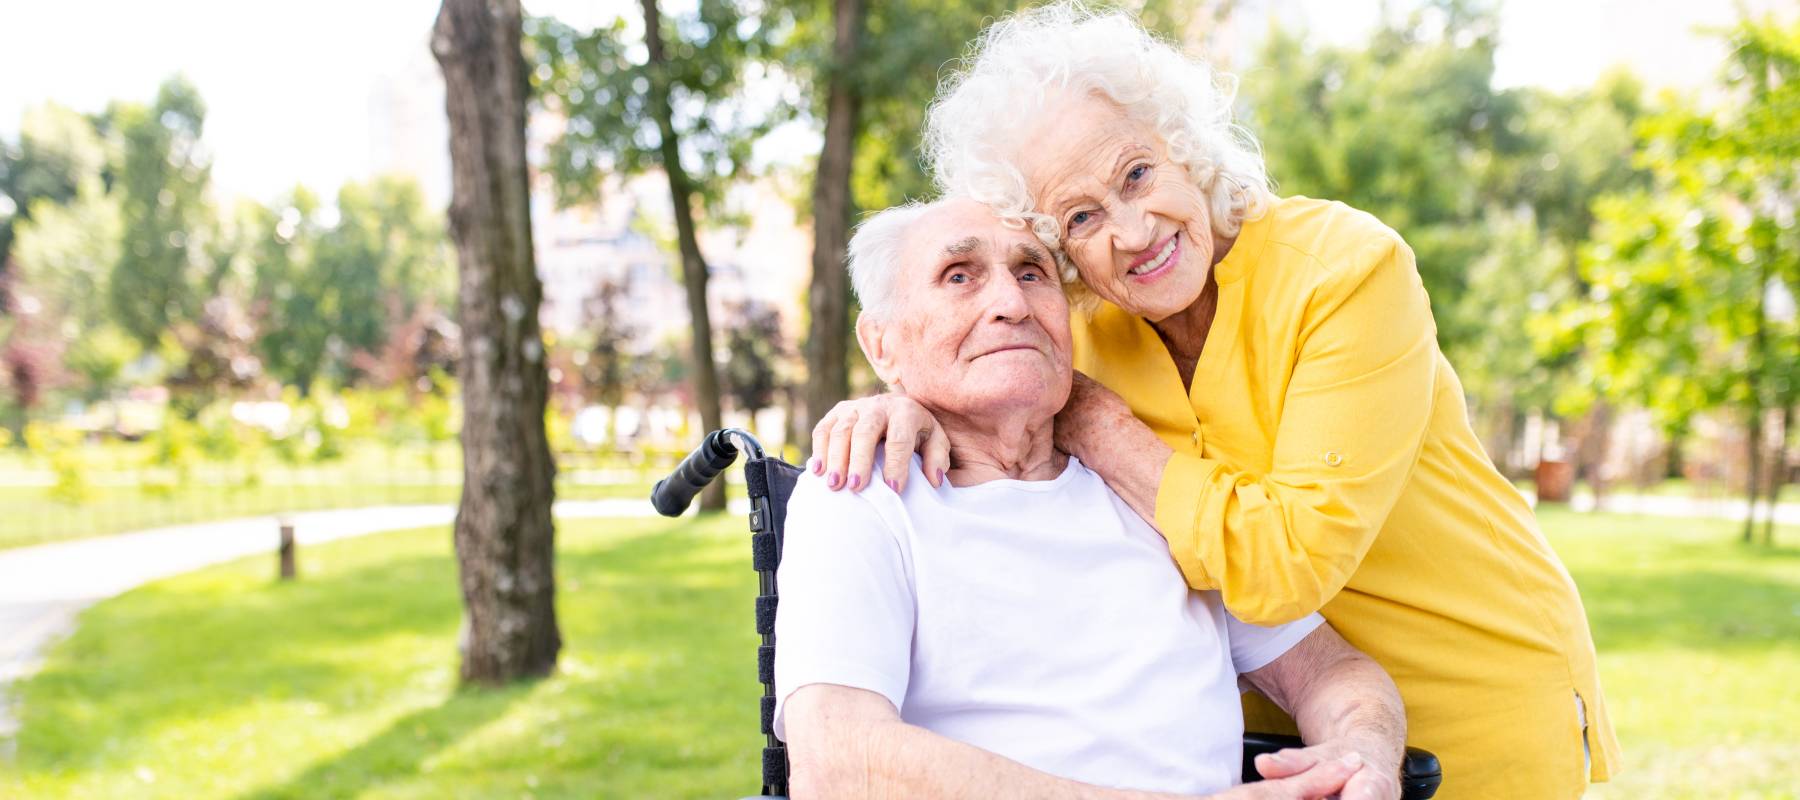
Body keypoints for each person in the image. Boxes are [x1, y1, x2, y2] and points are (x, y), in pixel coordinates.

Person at [808, 4, 1619, 797]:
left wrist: (1098, 424)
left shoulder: (1342, 272)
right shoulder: (1091, 322)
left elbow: (1283, 565)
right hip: (1271, 735)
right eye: (1081, 216)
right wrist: (897, 406)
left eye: (1136, 173)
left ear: (1186, 147)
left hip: (1466, 690)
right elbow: (980, 361)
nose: (1131, 231)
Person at [776, 197, 1407, 800]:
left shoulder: (1144, 486)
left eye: (1032, 273)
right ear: (881, 344)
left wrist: (1360, 754)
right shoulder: (861, 497)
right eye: (959, 276)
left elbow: (1331, 672)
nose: (1011, 302)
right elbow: (841, 764)